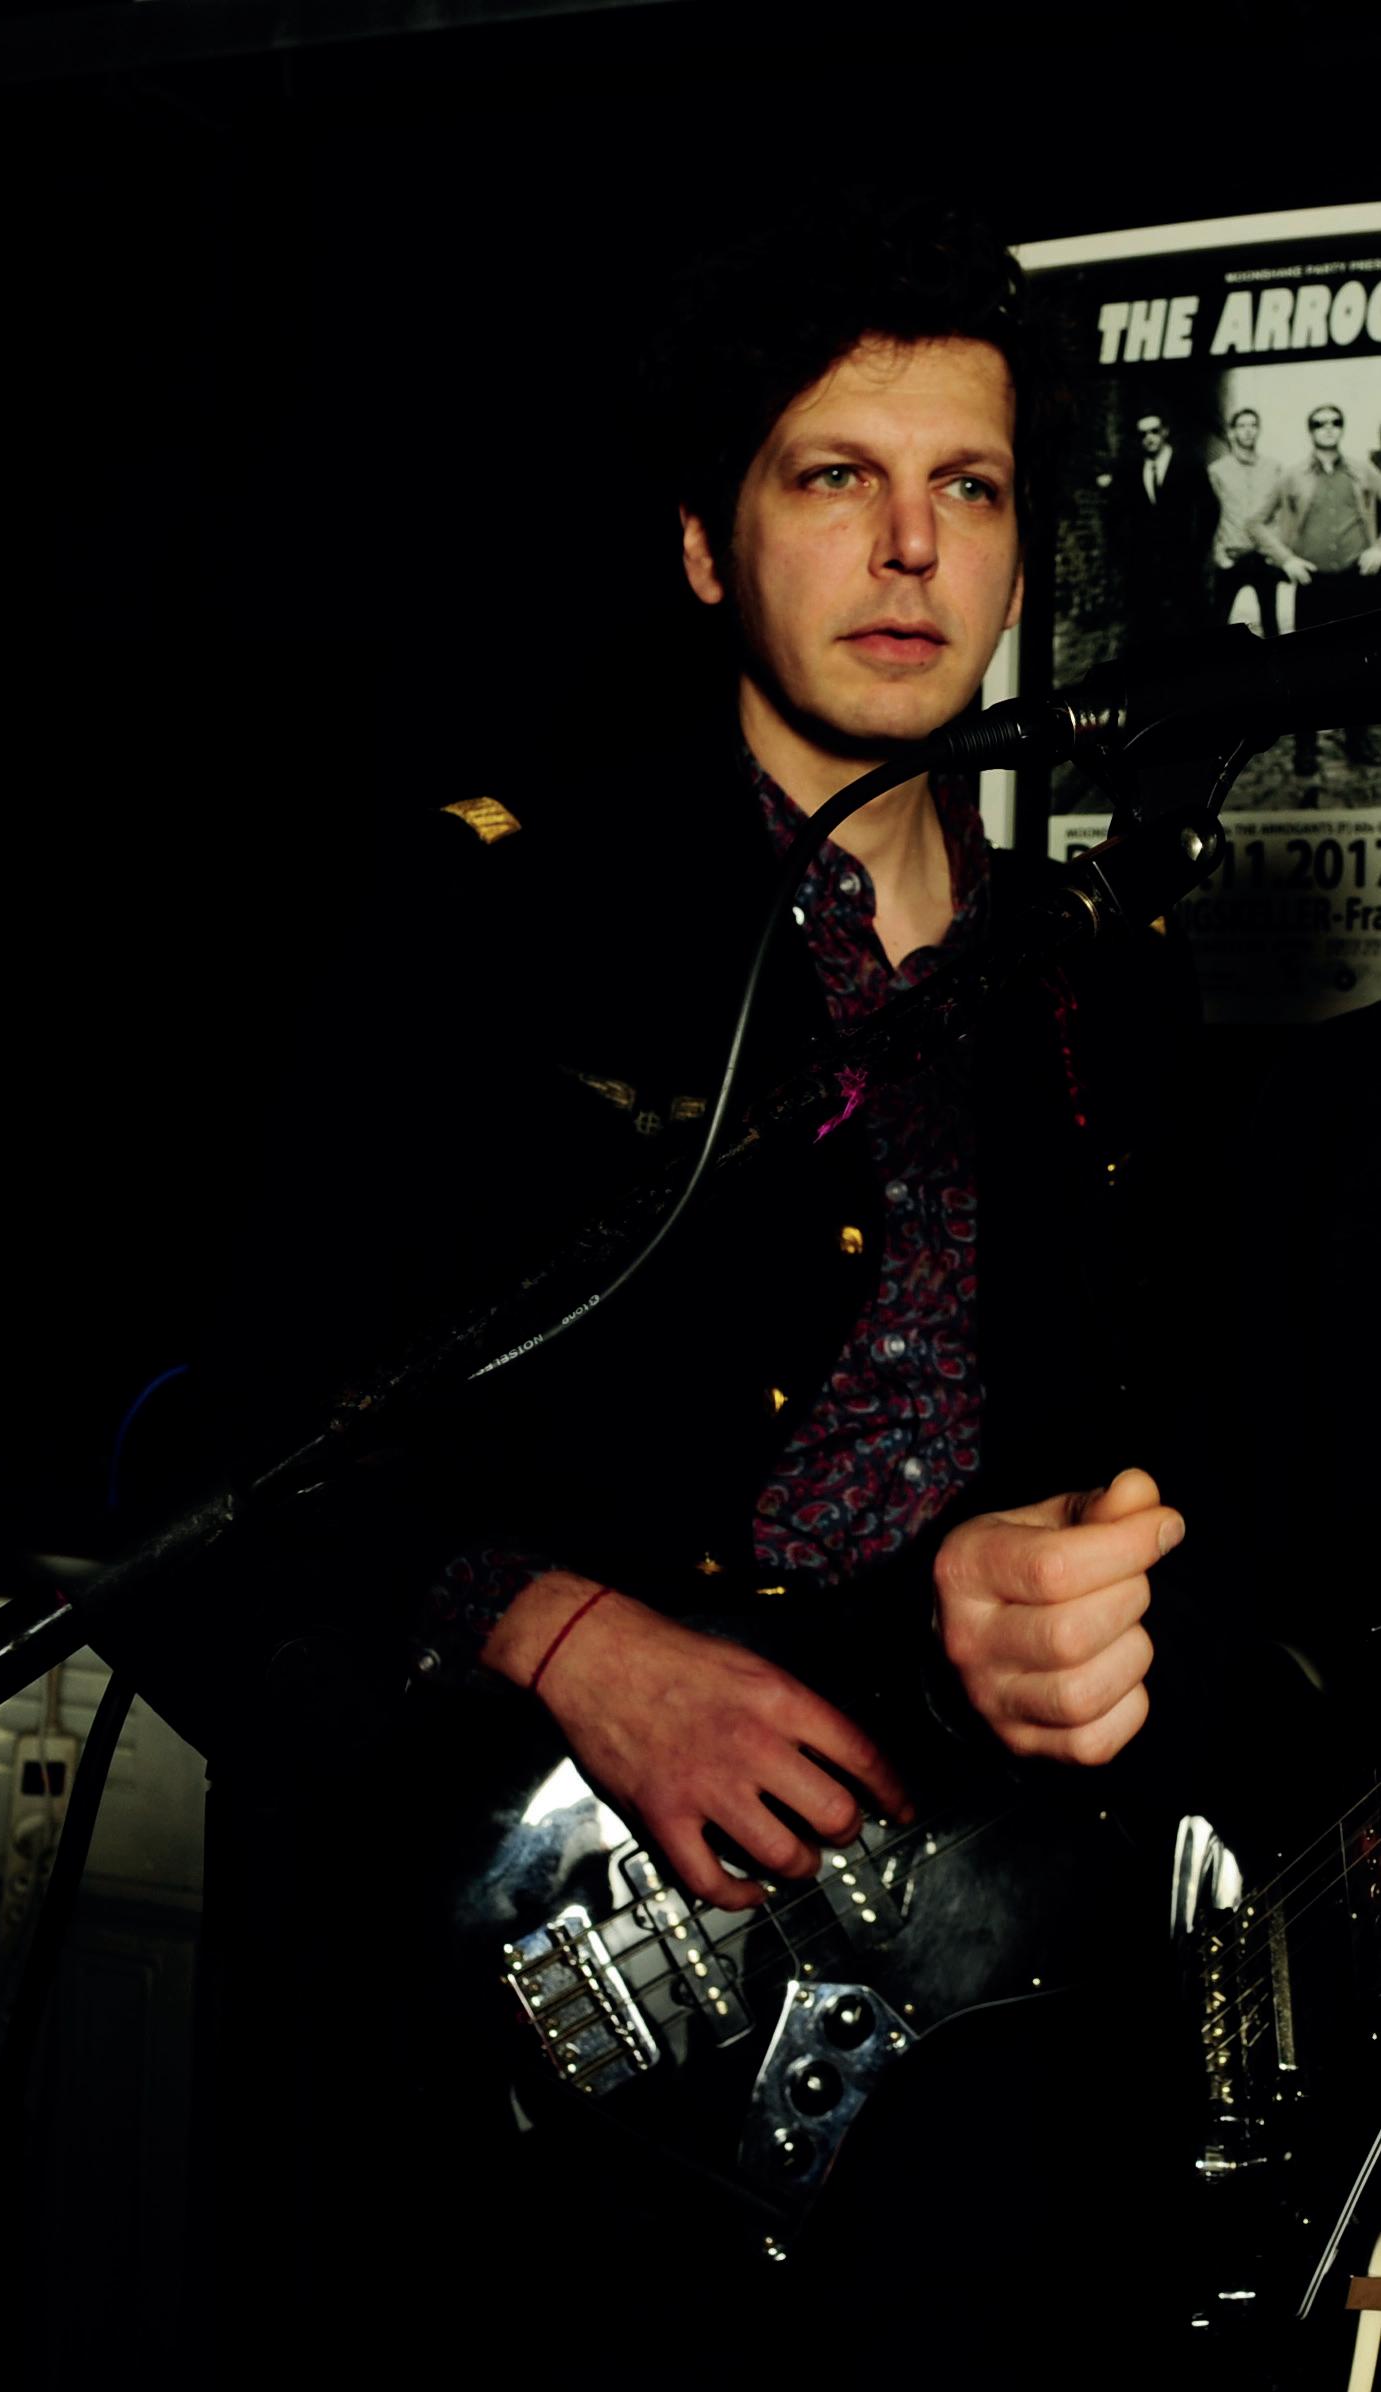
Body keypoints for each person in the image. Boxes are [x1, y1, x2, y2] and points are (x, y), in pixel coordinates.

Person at [117, 195, 1219, 2382]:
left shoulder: (1095, 995)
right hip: (516, 2073)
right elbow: (192, 1454)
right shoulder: (486, 928)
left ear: (1022, 557)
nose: (907, 549)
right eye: (834, 478)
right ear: (711, 546)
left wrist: (1084, 1611)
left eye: (968, 488)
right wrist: (573, 1636)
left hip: (948, 2055)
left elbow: (1183, 1477)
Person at [1249, 402, 1381, 774]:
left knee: (1360, 662)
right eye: (1320, 423)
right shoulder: (1292, 476)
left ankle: (1358, 742)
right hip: (1314, 585)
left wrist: (1378, 548)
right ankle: (1305, 749)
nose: (1328, 428)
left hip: (1357, 581)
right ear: (1311, 431)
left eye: (1335, 422)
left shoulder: (1363, 471)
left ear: (1341, 428)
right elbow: (1255, 523)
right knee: (1308, 667)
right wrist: (1286, 559)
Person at [1111, 403, 1219, 643]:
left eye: (1154, 431)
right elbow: (1117, 513)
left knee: (1192, 624)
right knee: (1149, 629)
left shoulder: (1188, 464)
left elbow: (1210, 509)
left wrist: (1197, 550)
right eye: (1143, 434)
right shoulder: (1131, 470)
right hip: (1145, 567)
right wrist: (1126, 553)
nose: (1149, 438)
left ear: (1165, 431)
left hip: (1184, 563)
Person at [1208, 404, 1284, 637]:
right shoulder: (1217, 470)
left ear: (1259, 430)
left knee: (1271, 624)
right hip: (1232, 556)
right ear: (1232, 432)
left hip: (1263, 557)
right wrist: (1219, 554)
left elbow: (1280, 513)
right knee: (1217, 622)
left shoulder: (1273, 468)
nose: (1248, 430)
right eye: (1242, 426)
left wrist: (1275, 553)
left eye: (1253, 425)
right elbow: (1210, 514)